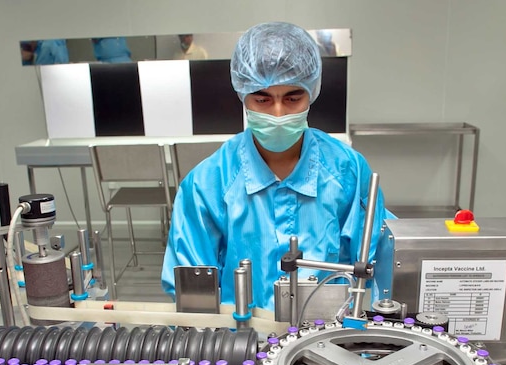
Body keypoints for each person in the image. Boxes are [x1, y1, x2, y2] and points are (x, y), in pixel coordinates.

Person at [161, 22, 393, 312]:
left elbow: (377, 268)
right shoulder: (208, 184)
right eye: (262, 99)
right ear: (242, 95)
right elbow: (192, 293)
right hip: (240, 343)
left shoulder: (347, 171)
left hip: (329, 342)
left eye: (293, 98)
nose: (278, 113)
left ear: (313, 92)